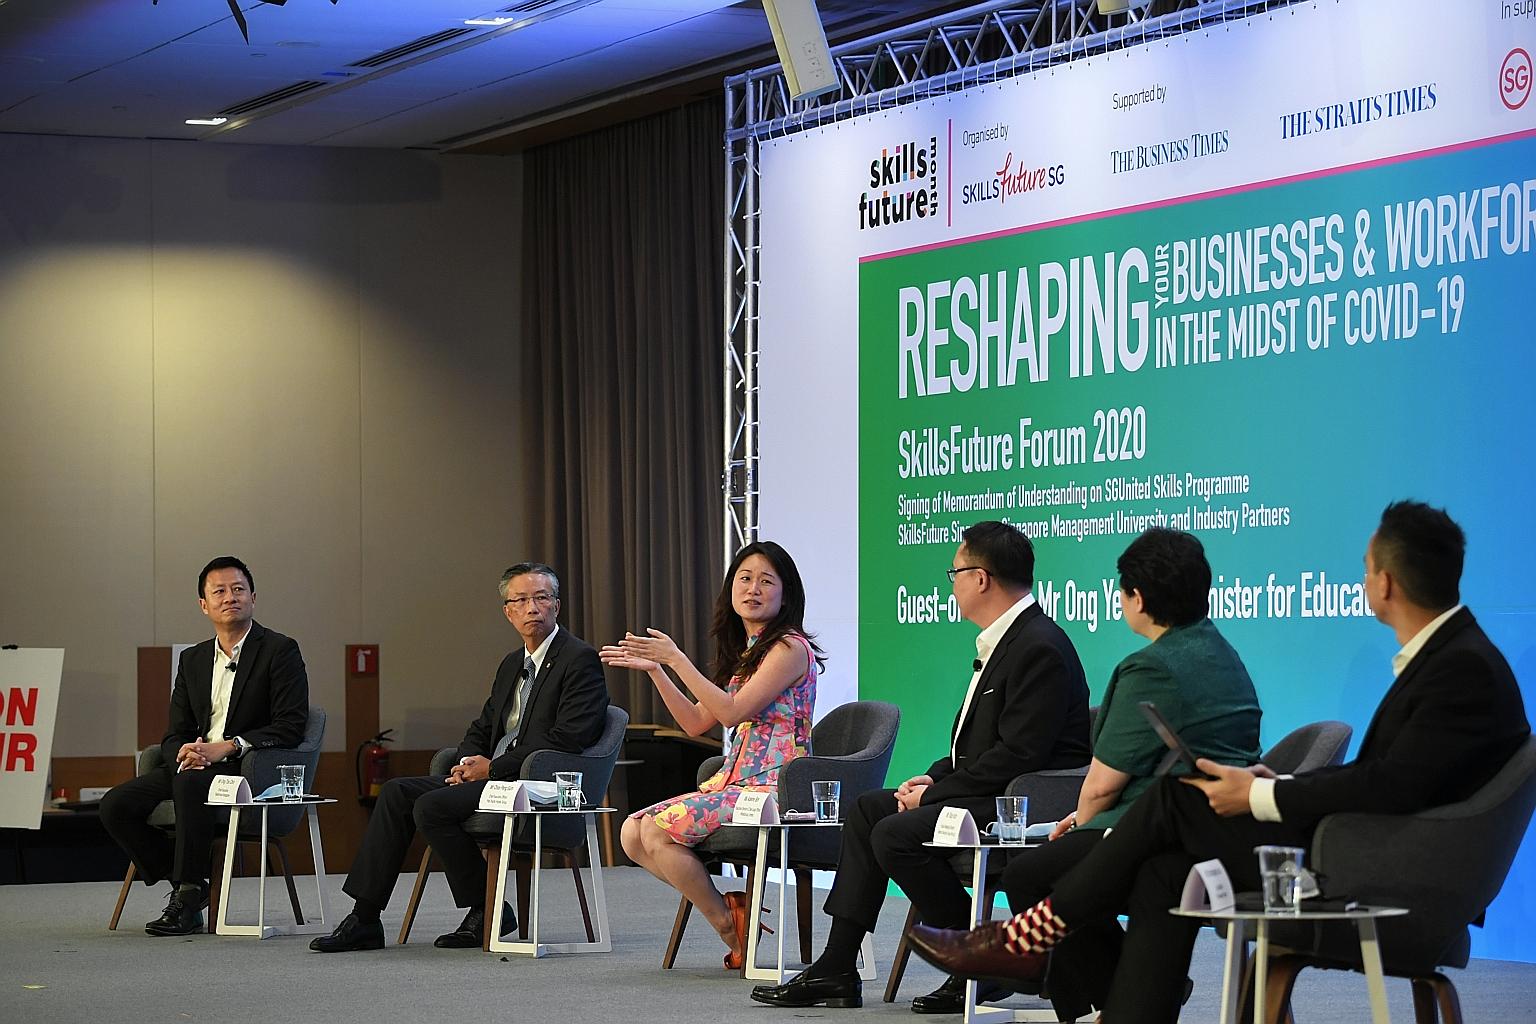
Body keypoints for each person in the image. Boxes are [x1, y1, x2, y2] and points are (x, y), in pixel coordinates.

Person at [907, 501, 1532, 1024]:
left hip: (1389, 876)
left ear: (1387, 582)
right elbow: (1396, 779)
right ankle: (1064, 967)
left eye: (1367, 571)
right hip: (1370, 848)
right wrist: (1277, 781)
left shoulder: (1461, 670)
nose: (1365, 583)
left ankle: (1025, 938)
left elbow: (1394, 785)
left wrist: (1265, 796)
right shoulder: (1454, 658)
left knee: (1176, 799)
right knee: (1163, 869)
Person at [752, 520, 1091, 1012]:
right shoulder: (1006, 640)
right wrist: (934, 777)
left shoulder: (1038, 645)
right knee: (870, 809)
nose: (950, 583)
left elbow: (1021, 755)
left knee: (895, 832)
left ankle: (980, 960)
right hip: (990, 786)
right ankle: (837, 966)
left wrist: (932, 797)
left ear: (981, 578)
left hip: (1022, 800)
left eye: (954, 572)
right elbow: (975, 746)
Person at [995, 528, 1263, 1019]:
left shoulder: (1151, 668)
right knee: (1065, 869)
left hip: (1160, 828)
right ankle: (1133, 996)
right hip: (1224, 828)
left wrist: (1081, 820)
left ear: (1137, 596)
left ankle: (1112, 1003)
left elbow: (1101, 788)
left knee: (1029, 874)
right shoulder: (1225, 653)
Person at [309, 562, 609, 953]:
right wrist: (467, 762)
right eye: (520, 600)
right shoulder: (510, 664)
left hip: (537, 786)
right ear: (508, 611)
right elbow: (483, 726)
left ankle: (486, 910)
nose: (532, 607)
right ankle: (365, 917)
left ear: (557, 605)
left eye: (541, 597)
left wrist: (494, 768)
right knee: (398, 792)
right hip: (494, 780)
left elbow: (567, 738)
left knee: (432, 807)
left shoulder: (579, 660)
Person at [602, 540, 823, 969]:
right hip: (736, 785)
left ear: (786, 593)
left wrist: (679, 659)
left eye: (766, 581)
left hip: (773, 790)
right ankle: (731, 914)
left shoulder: (789, 648)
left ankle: (727, 924)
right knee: (632, 833)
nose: (753, 588)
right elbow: (695, 722)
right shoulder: (749, 654)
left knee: (658, 833)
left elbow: (732, 712)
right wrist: (658, 670)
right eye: (744, 578)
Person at [100, 556, 311, 936]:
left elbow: (291, 725)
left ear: (253, 597)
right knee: (116, 805)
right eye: (219, 591)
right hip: (196, 767)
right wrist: (184, 754)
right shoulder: (193, 659)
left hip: (246, 768)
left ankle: (187, 898)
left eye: (238, 589)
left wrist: (229, 747)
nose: (230, 597)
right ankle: (189, 887)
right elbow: (173, 732)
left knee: (190, 785)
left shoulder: (280, 651)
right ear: (204, 604)